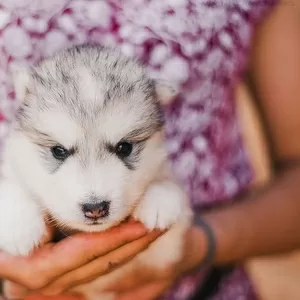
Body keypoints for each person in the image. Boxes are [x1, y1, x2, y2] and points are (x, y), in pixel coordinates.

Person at [0, 0, 300, 299]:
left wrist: (197, 243)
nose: (95, 199)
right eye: (59, 152)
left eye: (124, 147)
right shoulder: (23, 158)